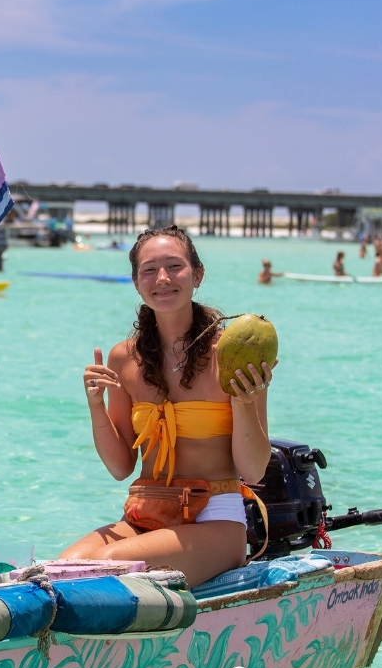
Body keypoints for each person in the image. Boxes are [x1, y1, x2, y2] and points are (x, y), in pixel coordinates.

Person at [60, 226, 275, 587]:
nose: (162, 278)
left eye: (175, 266)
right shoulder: (123, 358)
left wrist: (243, 401)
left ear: (198, 274)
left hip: (216, 519)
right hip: (147, 514)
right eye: (149, 270)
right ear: (136, 282)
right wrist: (95, 405)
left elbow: (253, 471)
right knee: (65, 567)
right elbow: (120, 467)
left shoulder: (234, 354)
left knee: (109, 566)